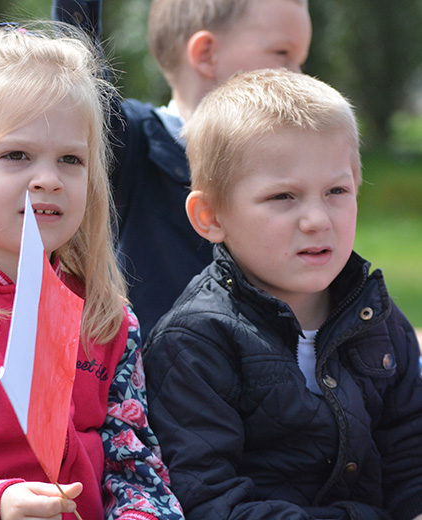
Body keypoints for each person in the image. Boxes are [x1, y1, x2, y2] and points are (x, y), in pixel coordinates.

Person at [0, 23, 184, 520]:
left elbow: (136, 468)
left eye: (70, 159)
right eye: (16, 155)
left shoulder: (107, 318)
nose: (47, 179)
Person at [143, 68, 422, 520]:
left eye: (336, 191)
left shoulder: (377, 318)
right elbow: (209, 500)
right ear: (210, 216)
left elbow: (409, 451)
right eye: (283, 197)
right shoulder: (195, 342)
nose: (316, 219)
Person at [53, 0, 312, 343]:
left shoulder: (297, 163)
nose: (299, 76)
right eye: (282, 54)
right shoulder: (138, 141)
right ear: (206, 53)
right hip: (162, 383)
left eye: (300, 61)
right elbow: (82, 81)